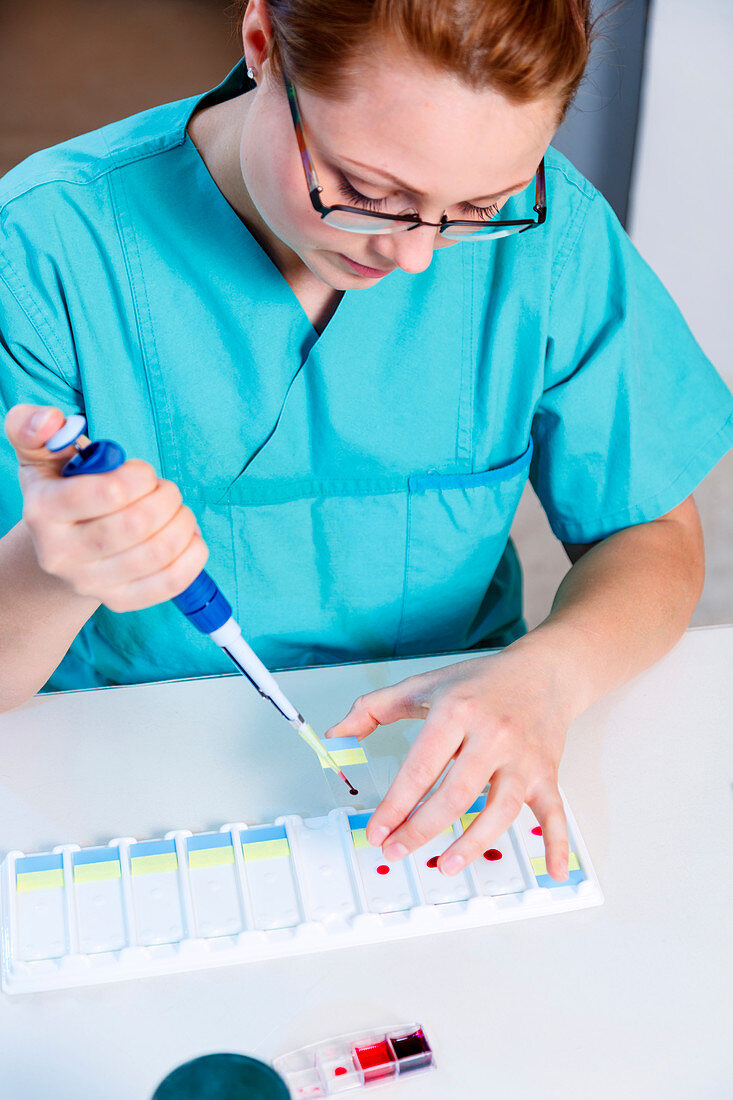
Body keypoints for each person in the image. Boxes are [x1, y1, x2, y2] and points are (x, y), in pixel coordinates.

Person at [1, 0, 731, 883]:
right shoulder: (45, 250)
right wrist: (53, 566)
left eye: (477, 207)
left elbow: (648, 532)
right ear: (263, 46)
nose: (414, 256)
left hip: (441, 769)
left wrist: (552, 674)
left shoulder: (551, 236)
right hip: (116, 786)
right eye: (365, 192)